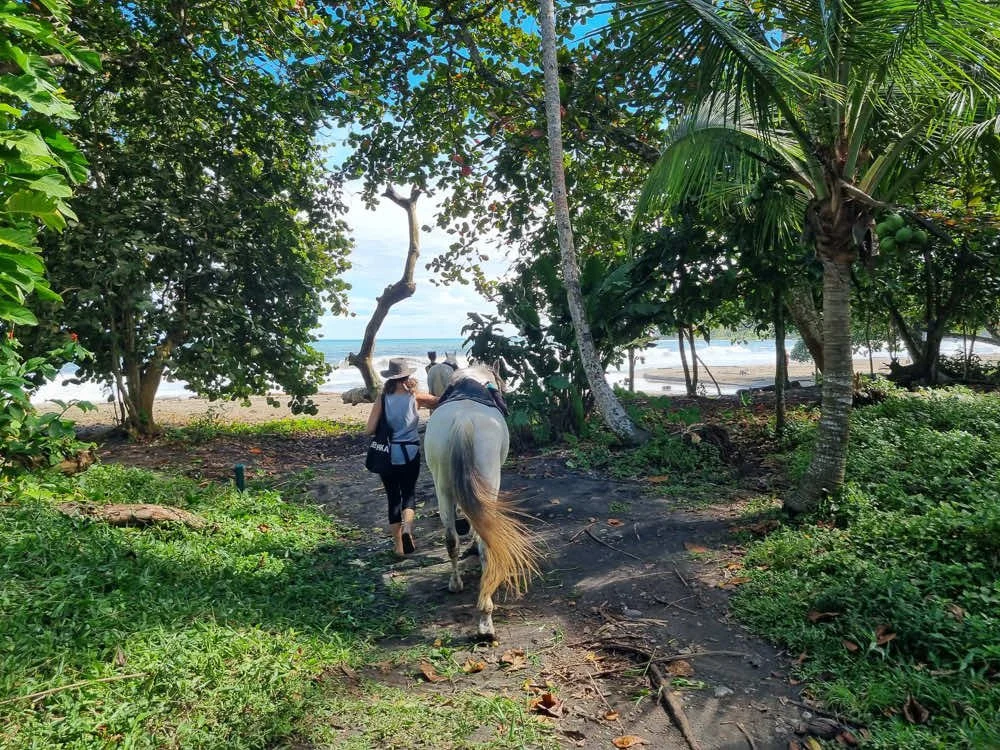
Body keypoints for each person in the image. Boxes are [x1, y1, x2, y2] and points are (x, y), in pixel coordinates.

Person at [365, 358, 439, 556]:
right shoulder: (416, 397)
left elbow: (369, 429)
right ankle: (408, 529)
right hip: (411, 452)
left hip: (388, 455)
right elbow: (440, 401)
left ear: (390, 378)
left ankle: (398, 547)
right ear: (408, 376)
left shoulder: (382, 398)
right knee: (409, 494)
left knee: (392, 497)